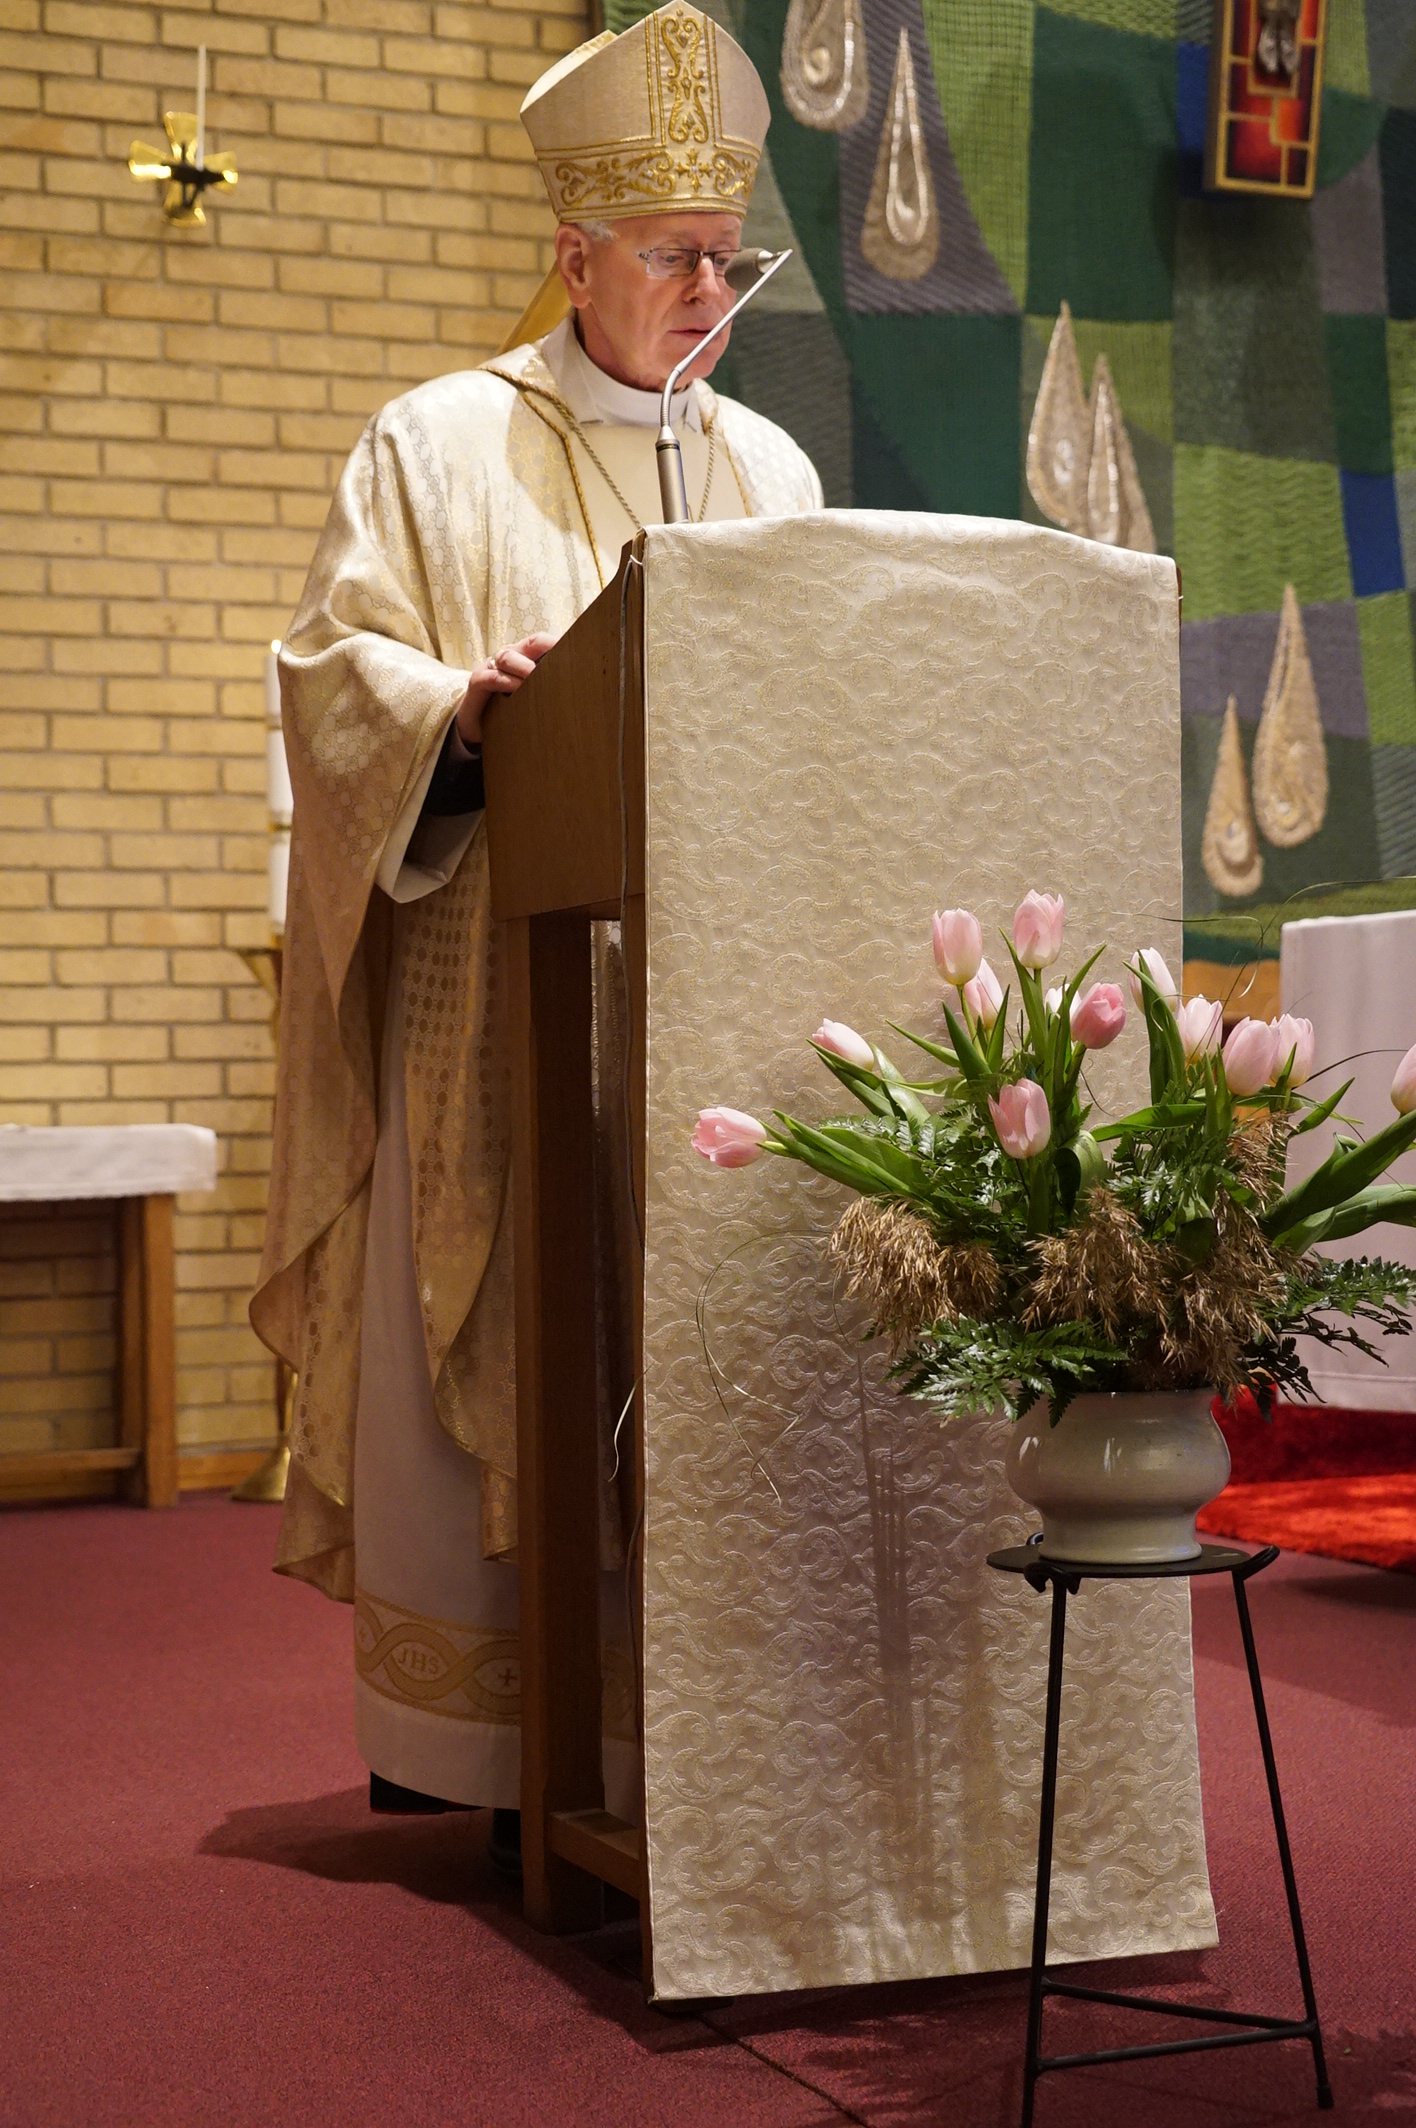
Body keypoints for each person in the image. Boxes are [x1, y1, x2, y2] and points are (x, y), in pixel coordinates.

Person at [251, 2, 822, 1866]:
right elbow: (333, 675)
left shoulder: (772, 473)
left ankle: (688, 1742)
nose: (708, 292)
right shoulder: (436, 444)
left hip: (713, 1003)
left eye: (728, 259)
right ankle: (482, 1746)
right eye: (673, 257)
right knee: (506, 1323)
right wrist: (466, 721)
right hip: (503, 988)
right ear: (575, 257)